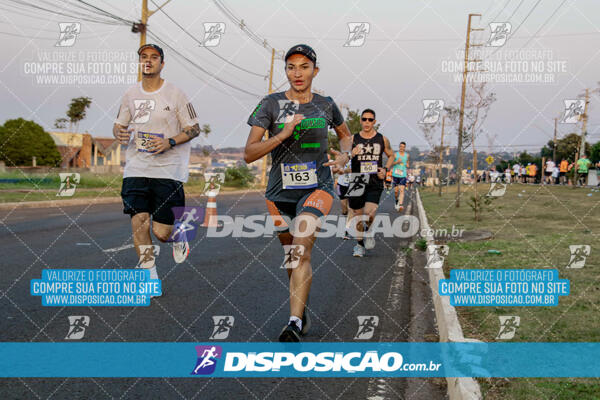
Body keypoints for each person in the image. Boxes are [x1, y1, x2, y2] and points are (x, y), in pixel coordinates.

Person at [244, 44, 352, 342]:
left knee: (302, 245)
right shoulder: (270, 104)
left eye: (304, 66)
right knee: (292, 255)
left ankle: (292, 322)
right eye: (291, 67)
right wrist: (282, 134)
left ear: (315, 71)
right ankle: (300, 309)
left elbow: (345, 136)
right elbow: (249, 153)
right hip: (279, 192)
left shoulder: (326, 104)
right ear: (286, 72)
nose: (297, 72)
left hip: (318, 186)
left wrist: (344, 157)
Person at [113, 44, 200, 290]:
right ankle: (150, 276)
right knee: (138, 221)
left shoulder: (176, 94)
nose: (148, 61)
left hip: (168, 170)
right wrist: (119, 133)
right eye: (143, 57)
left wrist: (169, 141)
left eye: (154, 57)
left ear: (162, 64)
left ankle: (180, 234)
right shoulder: (130, 94)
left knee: (162, 233)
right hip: (136, 168)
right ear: (139, 62)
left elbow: (194, 128)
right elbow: (119, 124)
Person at [348, 109, 395, 257]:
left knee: (369, 213)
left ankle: (369, 231)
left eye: (370, 119)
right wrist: (351, 154)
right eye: (364, 119)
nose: (367, 122)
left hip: (375, 180)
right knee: (358, 215)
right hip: (357, 180)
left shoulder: (382, 139)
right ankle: (359, 245)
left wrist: (386, 169)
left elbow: (391, 155)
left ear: (374, 122)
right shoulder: (352, 139)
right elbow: (343, 155)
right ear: (361, 121)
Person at [388, 141, 409, 212]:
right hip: (395, 175)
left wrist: (407, 165)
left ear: (405, 148)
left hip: (403, 175)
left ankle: (400, 205)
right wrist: (397, 162)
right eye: (400, 146)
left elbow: (407, 163)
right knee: (396, 191)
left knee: (402, 190)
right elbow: (391, 163)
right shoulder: (395, 155)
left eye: (403, 147)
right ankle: (396, 201)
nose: (401, 148)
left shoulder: (407, 155)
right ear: (399, 147)